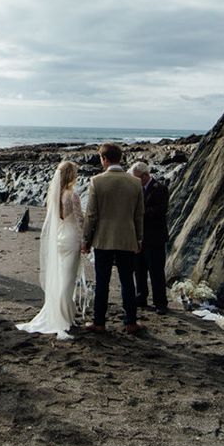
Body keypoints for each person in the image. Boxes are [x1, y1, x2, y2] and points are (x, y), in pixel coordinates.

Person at [82, 143, 144, 334]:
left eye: (101, 159)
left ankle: (99, 322)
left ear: (105, 159)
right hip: (127, 238)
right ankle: (131, 321)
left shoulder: (97, 181)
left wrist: (86, 239)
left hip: (103, 238)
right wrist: (139, 239)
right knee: (127, 281)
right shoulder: (135, 182)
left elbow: (91, 214)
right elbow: (139, 214)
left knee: (102, 282)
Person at [17, 161, 83, 340]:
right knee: (68, 280)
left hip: (60, 237)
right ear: (71, 175)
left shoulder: (54, 194)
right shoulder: (71, 195)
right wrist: (86, 240)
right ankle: (62, 317)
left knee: (61, 276)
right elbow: (80, 220)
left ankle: (62, 313)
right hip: (71, 238)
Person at [129, 161, 170, 315]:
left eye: (137, 177)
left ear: (146, 175)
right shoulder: (136, 189)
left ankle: (160, 302)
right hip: (139, 236)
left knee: (156, 271)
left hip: (155, 236)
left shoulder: (159, 189)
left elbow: (161, 210)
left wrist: (141, 211)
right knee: (139, 269)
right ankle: (141, 297)